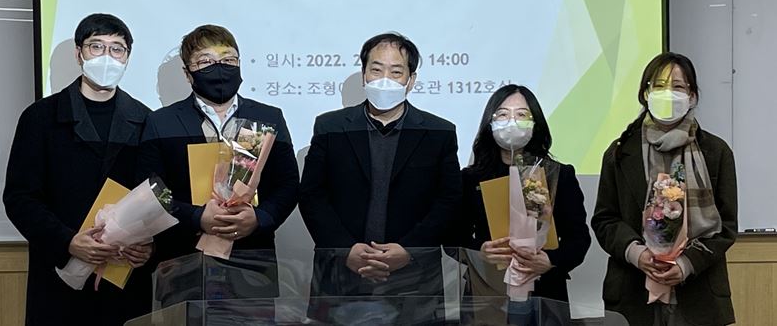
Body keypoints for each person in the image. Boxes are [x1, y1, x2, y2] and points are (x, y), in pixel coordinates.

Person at [299, 32, 462, 324]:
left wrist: (408, 250)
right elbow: (312, 195)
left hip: (415, 280)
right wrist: (346, 250)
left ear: (411, 80)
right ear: (364, 74)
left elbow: (448, 200)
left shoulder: (439, 132)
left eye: (396, 71)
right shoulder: (330, 127)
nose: (385, 79)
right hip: (341, 274)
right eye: (376, 69)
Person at [3, 13, 153, 325]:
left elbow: (158, 197)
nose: (107, 57)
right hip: (58, 276)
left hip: (123, 278)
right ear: (78, 53)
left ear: (127, 57)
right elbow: (20, 198)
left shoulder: (146, 120)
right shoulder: (40, 117)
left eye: (117, 49)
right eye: (96, 46)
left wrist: (148, 246)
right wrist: (67, 241)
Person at [137, 24, 299, 301]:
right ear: (187, 73)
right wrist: (196, 217)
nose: (219, 67)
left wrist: (259, 218)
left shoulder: (267, 117)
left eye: (228, 60)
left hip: (252, 265)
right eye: (206, 61)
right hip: (182, 264)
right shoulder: (161, 122)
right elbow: (152, 190)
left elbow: (288, 184)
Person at [592, 52, 737, 326]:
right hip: (632, 294)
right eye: (659, 85)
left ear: (692, 96)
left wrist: (686, 264)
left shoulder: (716, 153)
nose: (668, 93)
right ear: (645, 94)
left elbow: (726, 226)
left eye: (678, 86)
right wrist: (638, 254)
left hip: (699, 295)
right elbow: (605, 220)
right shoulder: (619, 152)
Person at [459, 84, 591, 305]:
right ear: (490, 124)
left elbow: (578, 239)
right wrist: (479, 251)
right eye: (503, 114)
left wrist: (551, 260)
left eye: (521, 115)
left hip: (545, 291)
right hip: (487, 289)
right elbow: (453, 236)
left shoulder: (559, 174)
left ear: (535, 124)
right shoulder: (470, 178)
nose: (512, 122)